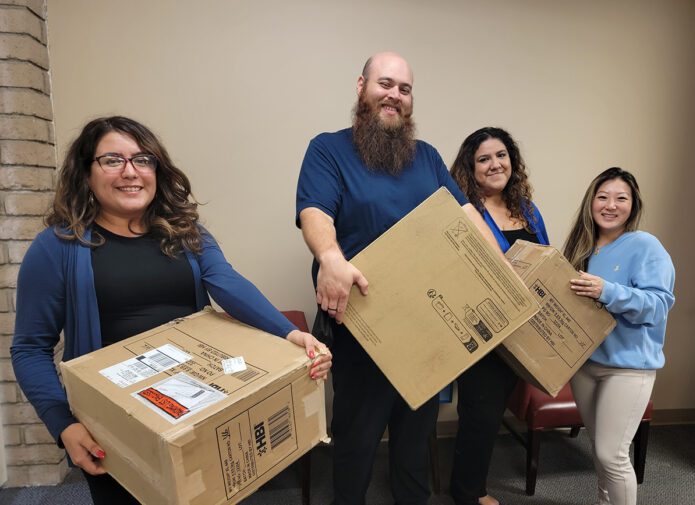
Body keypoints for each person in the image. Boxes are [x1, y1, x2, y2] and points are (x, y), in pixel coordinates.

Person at [11, 116, 332, 505]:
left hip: (197, 405)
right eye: (112, 160)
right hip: (115, 425)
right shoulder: (56, 248)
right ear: (86, 172)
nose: (130, 172)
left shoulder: (186, 232)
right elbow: (29, 348)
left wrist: (290, 334)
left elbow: (228, 283)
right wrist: (63, 424)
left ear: (157, 170)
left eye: (143, 160)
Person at [295, 52, 505, 505]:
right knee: (356, 443)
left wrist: (502, 273)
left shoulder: (426, 158)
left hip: (426, 327)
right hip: (361, 324)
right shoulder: (327, 149)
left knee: (414, 443)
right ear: (361, 87)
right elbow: (314, 210)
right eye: (385, 84)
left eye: (404, 89)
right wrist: (329, 257)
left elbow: (465, 218)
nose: (394, 95)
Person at [448, 127, 549, 505]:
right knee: (481, 413)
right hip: (484, 329)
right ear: (469, 168)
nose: (495, 164)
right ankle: (468, 494)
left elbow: (545, 260)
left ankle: (470, 486)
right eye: (484, 159)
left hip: (523, 329)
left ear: (513, 161)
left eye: (502, 155)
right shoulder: (465, 212)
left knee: (494, 408)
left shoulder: (527, 209)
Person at [563, 167, 674, 505]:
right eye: (603, 197)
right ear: (591, 203)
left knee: (613, 455)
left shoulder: (645, 245)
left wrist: (607, 291)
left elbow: (658, 306)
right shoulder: (582, 248)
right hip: (586, 366)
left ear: (633, 204)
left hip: (628, 368)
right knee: (600, 450)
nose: (611, 205)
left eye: (621, 198)